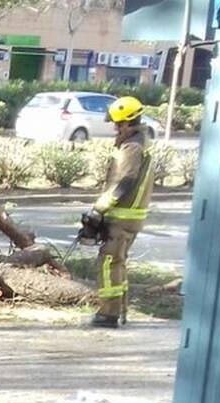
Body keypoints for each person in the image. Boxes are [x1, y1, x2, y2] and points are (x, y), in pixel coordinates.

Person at [87, 95, 156, 328]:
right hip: (131, 217)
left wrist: (99, 209)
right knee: (119, 262)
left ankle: (108, 314)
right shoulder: (141, 143)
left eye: (117, 124)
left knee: (108, 264)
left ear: (127, 122)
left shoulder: (131, 147)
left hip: (121, 217)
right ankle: (122, 311)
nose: (115, 128)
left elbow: (123, 182)